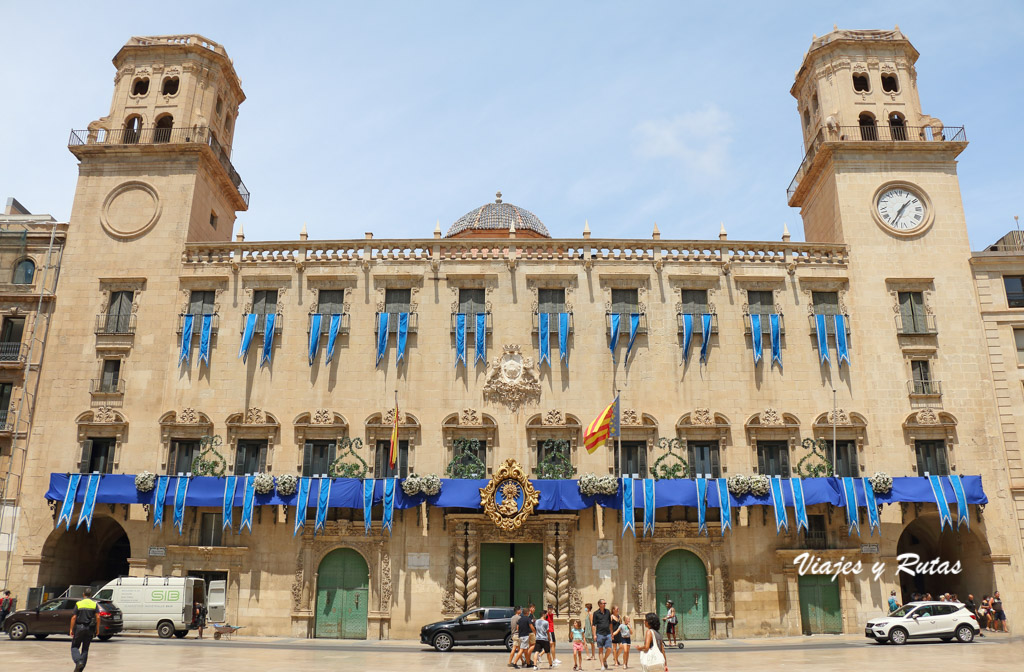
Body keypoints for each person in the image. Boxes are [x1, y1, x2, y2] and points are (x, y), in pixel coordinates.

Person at [69, 587, 101, 672]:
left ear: (83, 594)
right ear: (90, 595)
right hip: (90, 628)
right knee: (85, 649)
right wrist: (97, 628)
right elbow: (98, 616)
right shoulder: (94, 604)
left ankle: (78, 661)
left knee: (75, 647)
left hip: (79, 628)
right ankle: (80, 668)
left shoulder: (79, 603)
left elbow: (74, 617)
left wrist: (71, 629)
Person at [592, 599, 613, 671]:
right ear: (599, 604)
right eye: (603, 603)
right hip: (600, 633)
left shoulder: (608, 612)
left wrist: (611, 633)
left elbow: (610, 623)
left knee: (609, 649)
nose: (604, 604)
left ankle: (604, 659)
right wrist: (594, 635)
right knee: (600, 650)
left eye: (605, 603)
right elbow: (594, 625)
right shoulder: (596, 613)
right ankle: (602, 665)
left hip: (607, 633)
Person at [515, 604, 537, 669]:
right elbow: (530, 624)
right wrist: (534, 632)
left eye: (534, 608)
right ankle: (524, 659)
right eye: (532, 608)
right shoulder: (528, 616)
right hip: (529, 632)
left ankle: (528, 662)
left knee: (526, 648)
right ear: (529, 609)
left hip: (525, 634)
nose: (534, 609)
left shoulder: (531, 615)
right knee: (532, 645)